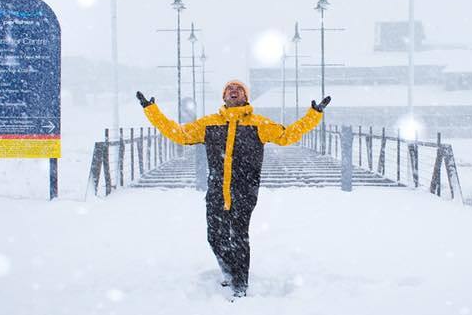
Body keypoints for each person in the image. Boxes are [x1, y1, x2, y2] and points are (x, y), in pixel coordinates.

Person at [136, 80, 330, 298]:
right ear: (224, 97)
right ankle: (229, 274)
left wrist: (314, 115)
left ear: (246, 97)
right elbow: (179, 134)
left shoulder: (258, 124)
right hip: (217, 190)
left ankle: (240, 285)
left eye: (239, 89)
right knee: (214, 237)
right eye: (230, 89)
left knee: (238, 237)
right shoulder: (209, 124)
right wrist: (151, 111)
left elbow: (287, 136)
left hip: (245, 190)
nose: (234, 91)